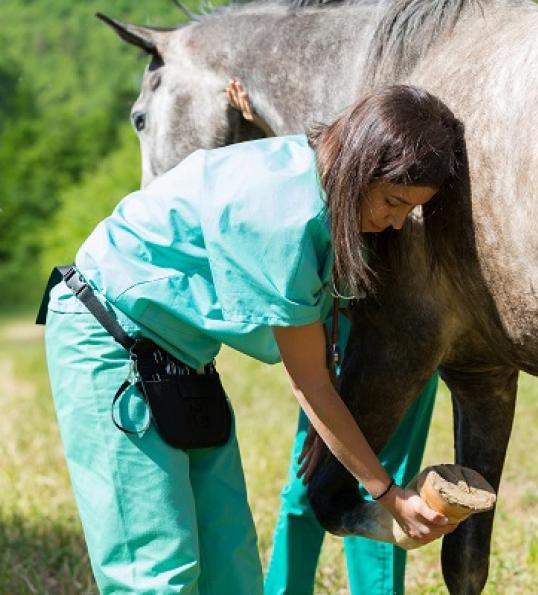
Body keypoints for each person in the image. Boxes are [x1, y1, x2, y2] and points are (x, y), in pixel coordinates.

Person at [42, 84, 467, 593]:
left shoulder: (323, 186)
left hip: (183, 355)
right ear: (360, 164)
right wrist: (385, 492)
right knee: (156, 574)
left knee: (233, 568)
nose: (396, 222)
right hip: (108, 334)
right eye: (394, 202)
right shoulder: (285, 215)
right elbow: (310, 382)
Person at [225, 79, 440, 595]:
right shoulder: (329, 177)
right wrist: (257, 120)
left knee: (378, 485)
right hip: (327, 349)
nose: (392, 221)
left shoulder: (411, 176)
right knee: (307, 485)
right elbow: (307, 170)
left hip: (394, 351)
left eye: (404, 209)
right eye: (392, 203)